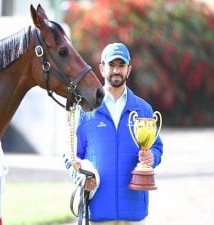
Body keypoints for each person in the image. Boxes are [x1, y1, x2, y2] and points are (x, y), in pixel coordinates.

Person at [63, 42, 163, 225]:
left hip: (133, 213)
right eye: (111, 65)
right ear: (101, 68)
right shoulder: (85, 110)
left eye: (121, 65)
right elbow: (70, 155)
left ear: (129, 70)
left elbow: (157, 147)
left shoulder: (144, 109)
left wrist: (152, 157)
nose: (116, 70)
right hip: (97, 212)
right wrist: (81, 178)